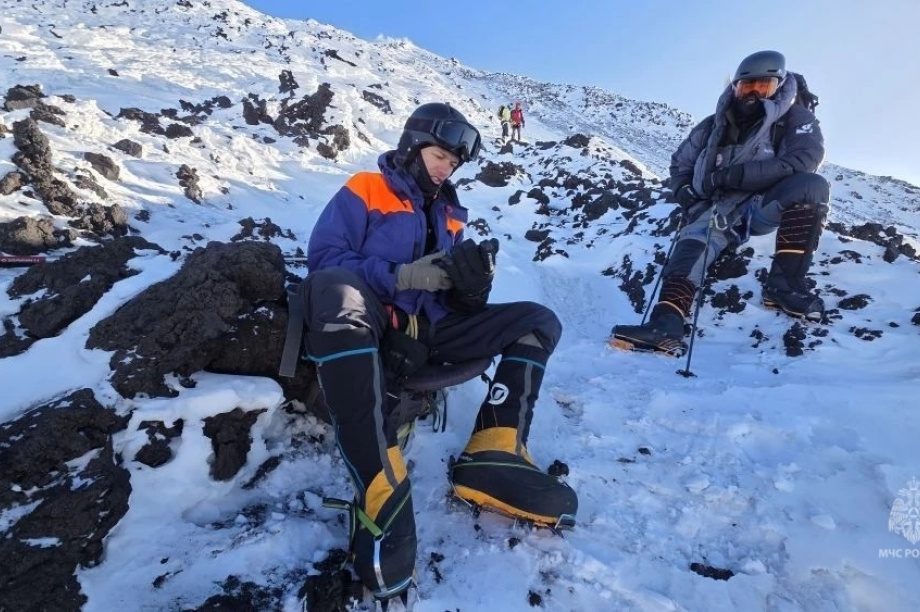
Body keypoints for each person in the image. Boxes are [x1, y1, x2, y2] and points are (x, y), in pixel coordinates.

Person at [294, 102, 577, 602]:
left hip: (431, 331)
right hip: (370, 319)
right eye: (441, 156)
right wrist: (401, 276)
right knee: (335, 289)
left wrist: (470, 289)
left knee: (537, 320)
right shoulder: (365, 189)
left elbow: (450, 299)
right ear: (412, 145)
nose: (447, 169)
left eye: (454, 162)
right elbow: (325, 259)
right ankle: (380, 486)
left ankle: (492, 456)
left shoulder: (449, 213)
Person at [610, 50, 830, 354]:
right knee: (691, 250)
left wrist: (736, 176)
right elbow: (680, 165)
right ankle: (666, 325)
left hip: (760, 205)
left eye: (762, 86)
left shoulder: (795, 118)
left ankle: (785, 286)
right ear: (735, 87)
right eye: (746, 86)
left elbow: (804, 159)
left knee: (812, 187)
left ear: (778, 85)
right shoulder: (712, 125)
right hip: (713, 207)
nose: (752, 94)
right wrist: (685, 193)